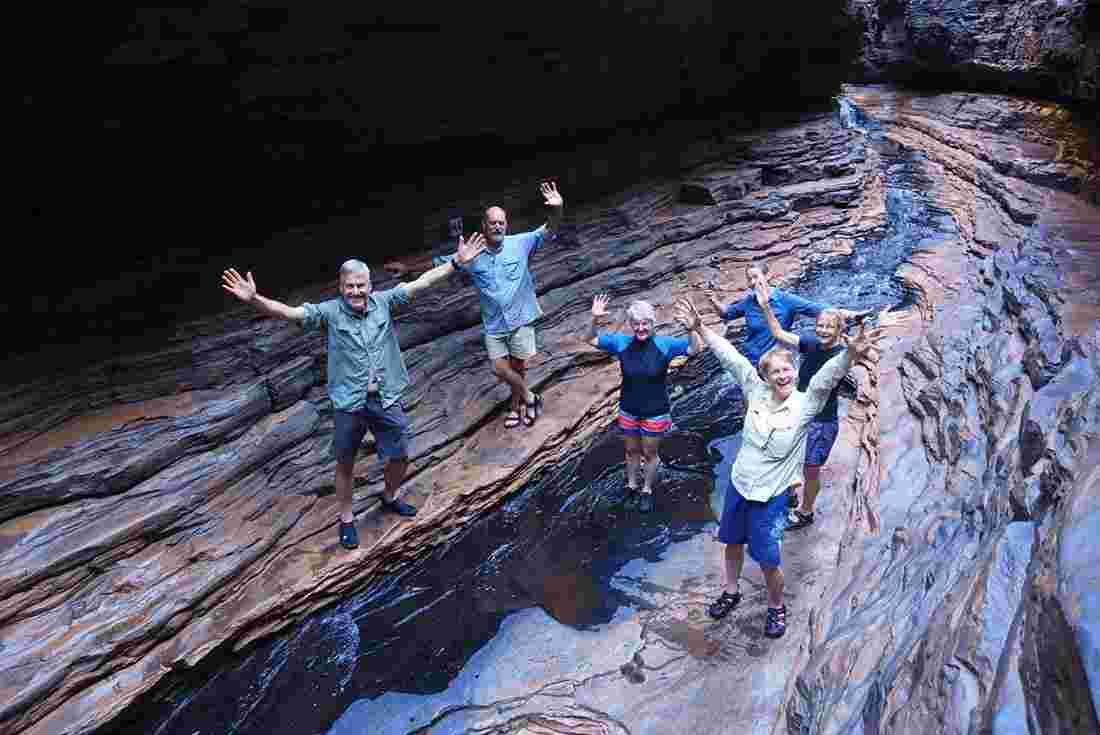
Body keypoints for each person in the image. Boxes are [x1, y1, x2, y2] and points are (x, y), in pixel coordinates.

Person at [220, 234, 486, 550]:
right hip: (349, 402)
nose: (356, 291)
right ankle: (346, 518)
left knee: (399, 455)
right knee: (345, 462)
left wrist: (456, 263)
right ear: (341, 287)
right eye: (350, 286)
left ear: (370, 285)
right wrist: (254, 299)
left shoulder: (385, 302)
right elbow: (289, 313)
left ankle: (390, 496)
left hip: (385, 397)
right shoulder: (330, 313)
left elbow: (422, 284)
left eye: (362, 285)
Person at [674, 295, 881, 638]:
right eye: (776, 371)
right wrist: (701, 329)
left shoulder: (805, 405)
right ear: (766, 376)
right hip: (740, 485)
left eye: (787, 370)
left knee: (768, 560)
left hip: (771, 496)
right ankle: (730, 591)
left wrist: (848, 355)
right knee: (732, 544)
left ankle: (776, 607)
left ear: (794, 373)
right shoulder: (755, 392)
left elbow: (825, 379)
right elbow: (732, 357)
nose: (783, 375)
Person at [451, 181, 564, 428]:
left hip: (520, 317)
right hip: (494, 324)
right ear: (484, 226)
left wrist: (557, 208)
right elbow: (443, 264)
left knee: (518, 367)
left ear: (507, 224)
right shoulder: (473, 252)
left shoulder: (520, 243)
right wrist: (408, 269)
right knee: (500, 369)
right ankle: (531, 396)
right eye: (493, 222)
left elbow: (550, 229)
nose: (498, 226)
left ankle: (516, 407)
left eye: (501, 222)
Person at [586, 294, 703, 512]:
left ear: (652, 323)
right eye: (636, 324)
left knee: (649, 454)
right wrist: (594, 319)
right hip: (628, 409)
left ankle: (646, 489)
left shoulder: (664, 344)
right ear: (630, 325)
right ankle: (631, 485)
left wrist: (692, 329)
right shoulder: (621, 342)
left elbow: (695, 349)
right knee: (631, 451)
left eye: (645, 323)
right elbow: (591, 339)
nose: (641, 328)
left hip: (655, 411)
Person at [756, 283, 848, 531]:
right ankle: (791, 495)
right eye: (820, 325)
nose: (823, 330)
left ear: (840, 329)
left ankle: (806, 512)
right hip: (799, 414)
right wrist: (766, 307)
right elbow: (778, 334)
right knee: (790, 457)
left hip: (822, 421)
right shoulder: (811, 344)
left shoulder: (841, 356)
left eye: (830, 326)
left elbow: (855, 357)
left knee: (811, 469)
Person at [707, 262, 866, 367]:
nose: (752, 282)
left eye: (756, 277)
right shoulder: (749, 301)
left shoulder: (785, 299)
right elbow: (727, 314)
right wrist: (714, 301)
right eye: (749, 279)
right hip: (751, 359)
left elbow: (818, 309)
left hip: (776, 361)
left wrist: (852, 315)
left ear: (767, 276)